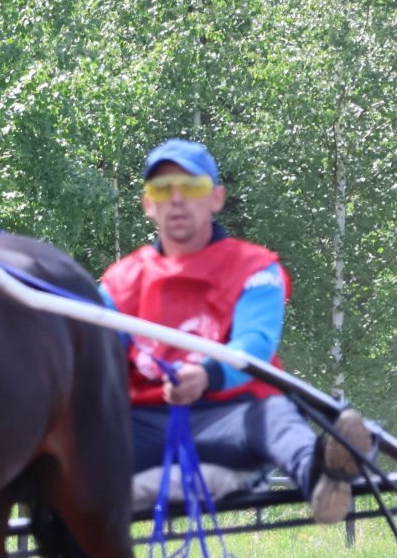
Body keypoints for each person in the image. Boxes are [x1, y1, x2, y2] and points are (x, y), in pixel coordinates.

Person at [100, 139, 374, 524]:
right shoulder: (118, 282)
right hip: (147, 424)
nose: (176, 199)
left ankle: (323, 475)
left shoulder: (256, 268)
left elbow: (255, 344)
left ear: (216, 198)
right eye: (163, 189)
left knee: (275, 414)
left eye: (191, 187)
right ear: (148, 204)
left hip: (231, 418)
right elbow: (89, 355)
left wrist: (206, 375)